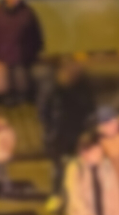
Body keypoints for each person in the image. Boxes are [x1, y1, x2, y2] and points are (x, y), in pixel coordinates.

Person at [38, 57, 97, 207]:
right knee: (58, 167)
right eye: (68, 73)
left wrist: (88, 131)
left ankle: (79, 196)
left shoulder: (83, 88)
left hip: (78, 134)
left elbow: (90, 110)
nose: (71, 76)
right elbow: (43, 112)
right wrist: (50, 131)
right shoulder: (51, 88)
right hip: (57, 135)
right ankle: (56, 194)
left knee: (80, 166)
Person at [0, 0, 44, 102]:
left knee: (23, 75)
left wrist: (37, 47)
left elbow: (35, 31)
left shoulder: (27, 12)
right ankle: (12, 96)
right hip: (5, 52)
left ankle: (25, 96)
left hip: (23, 51)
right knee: (9, 76)